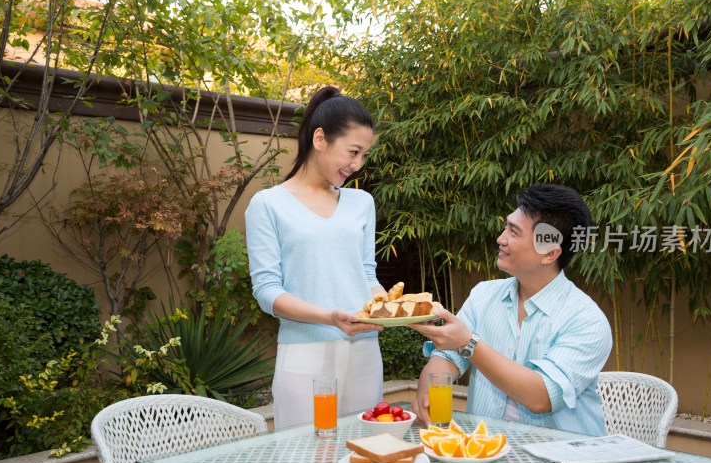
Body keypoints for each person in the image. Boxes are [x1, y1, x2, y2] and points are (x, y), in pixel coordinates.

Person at [410, 183, 612, 436]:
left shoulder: (586, 320)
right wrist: (428, 389)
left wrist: (468, 343)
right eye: (506, 226)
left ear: (549, 252)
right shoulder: (484, 295)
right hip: (488, 452)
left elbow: (541, 397)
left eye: (514, 232)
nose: (500, 238)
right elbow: (447, 357)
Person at [245, 86, 386, 430]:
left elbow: (367, 275)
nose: (357, 165)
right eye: (353, 151)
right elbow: (267, 292)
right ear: (320, 138)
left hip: (364, 352)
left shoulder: (362, 203)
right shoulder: (268, 204)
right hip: (303, 354)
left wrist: (387, 306)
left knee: (367, 455)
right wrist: (329, 317)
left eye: (364, 155)